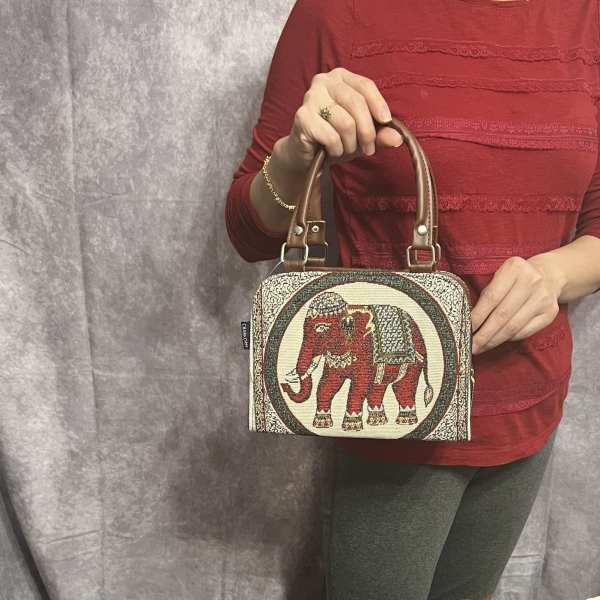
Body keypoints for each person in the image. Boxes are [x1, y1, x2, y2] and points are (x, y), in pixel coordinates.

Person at [224, 0, 600, 598]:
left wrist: (553, 275)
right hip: (390, 425)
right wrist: (296, 154)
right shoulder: (337, 13)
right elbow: (249, 231)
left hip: (530, 410)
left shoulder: (587, 21)